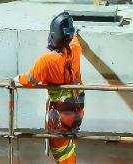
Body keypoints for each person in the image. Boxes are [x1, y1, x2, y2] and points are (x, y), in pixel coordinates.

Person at [17, 13, 85, 164]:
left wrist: (16, 79)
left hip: (60, 115)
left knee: (63, 154)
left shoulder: (47, 60)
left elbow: (29, 80)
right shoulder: (75, 49)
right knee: (70, 146)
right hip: (77, 111)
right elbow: (74, 39)